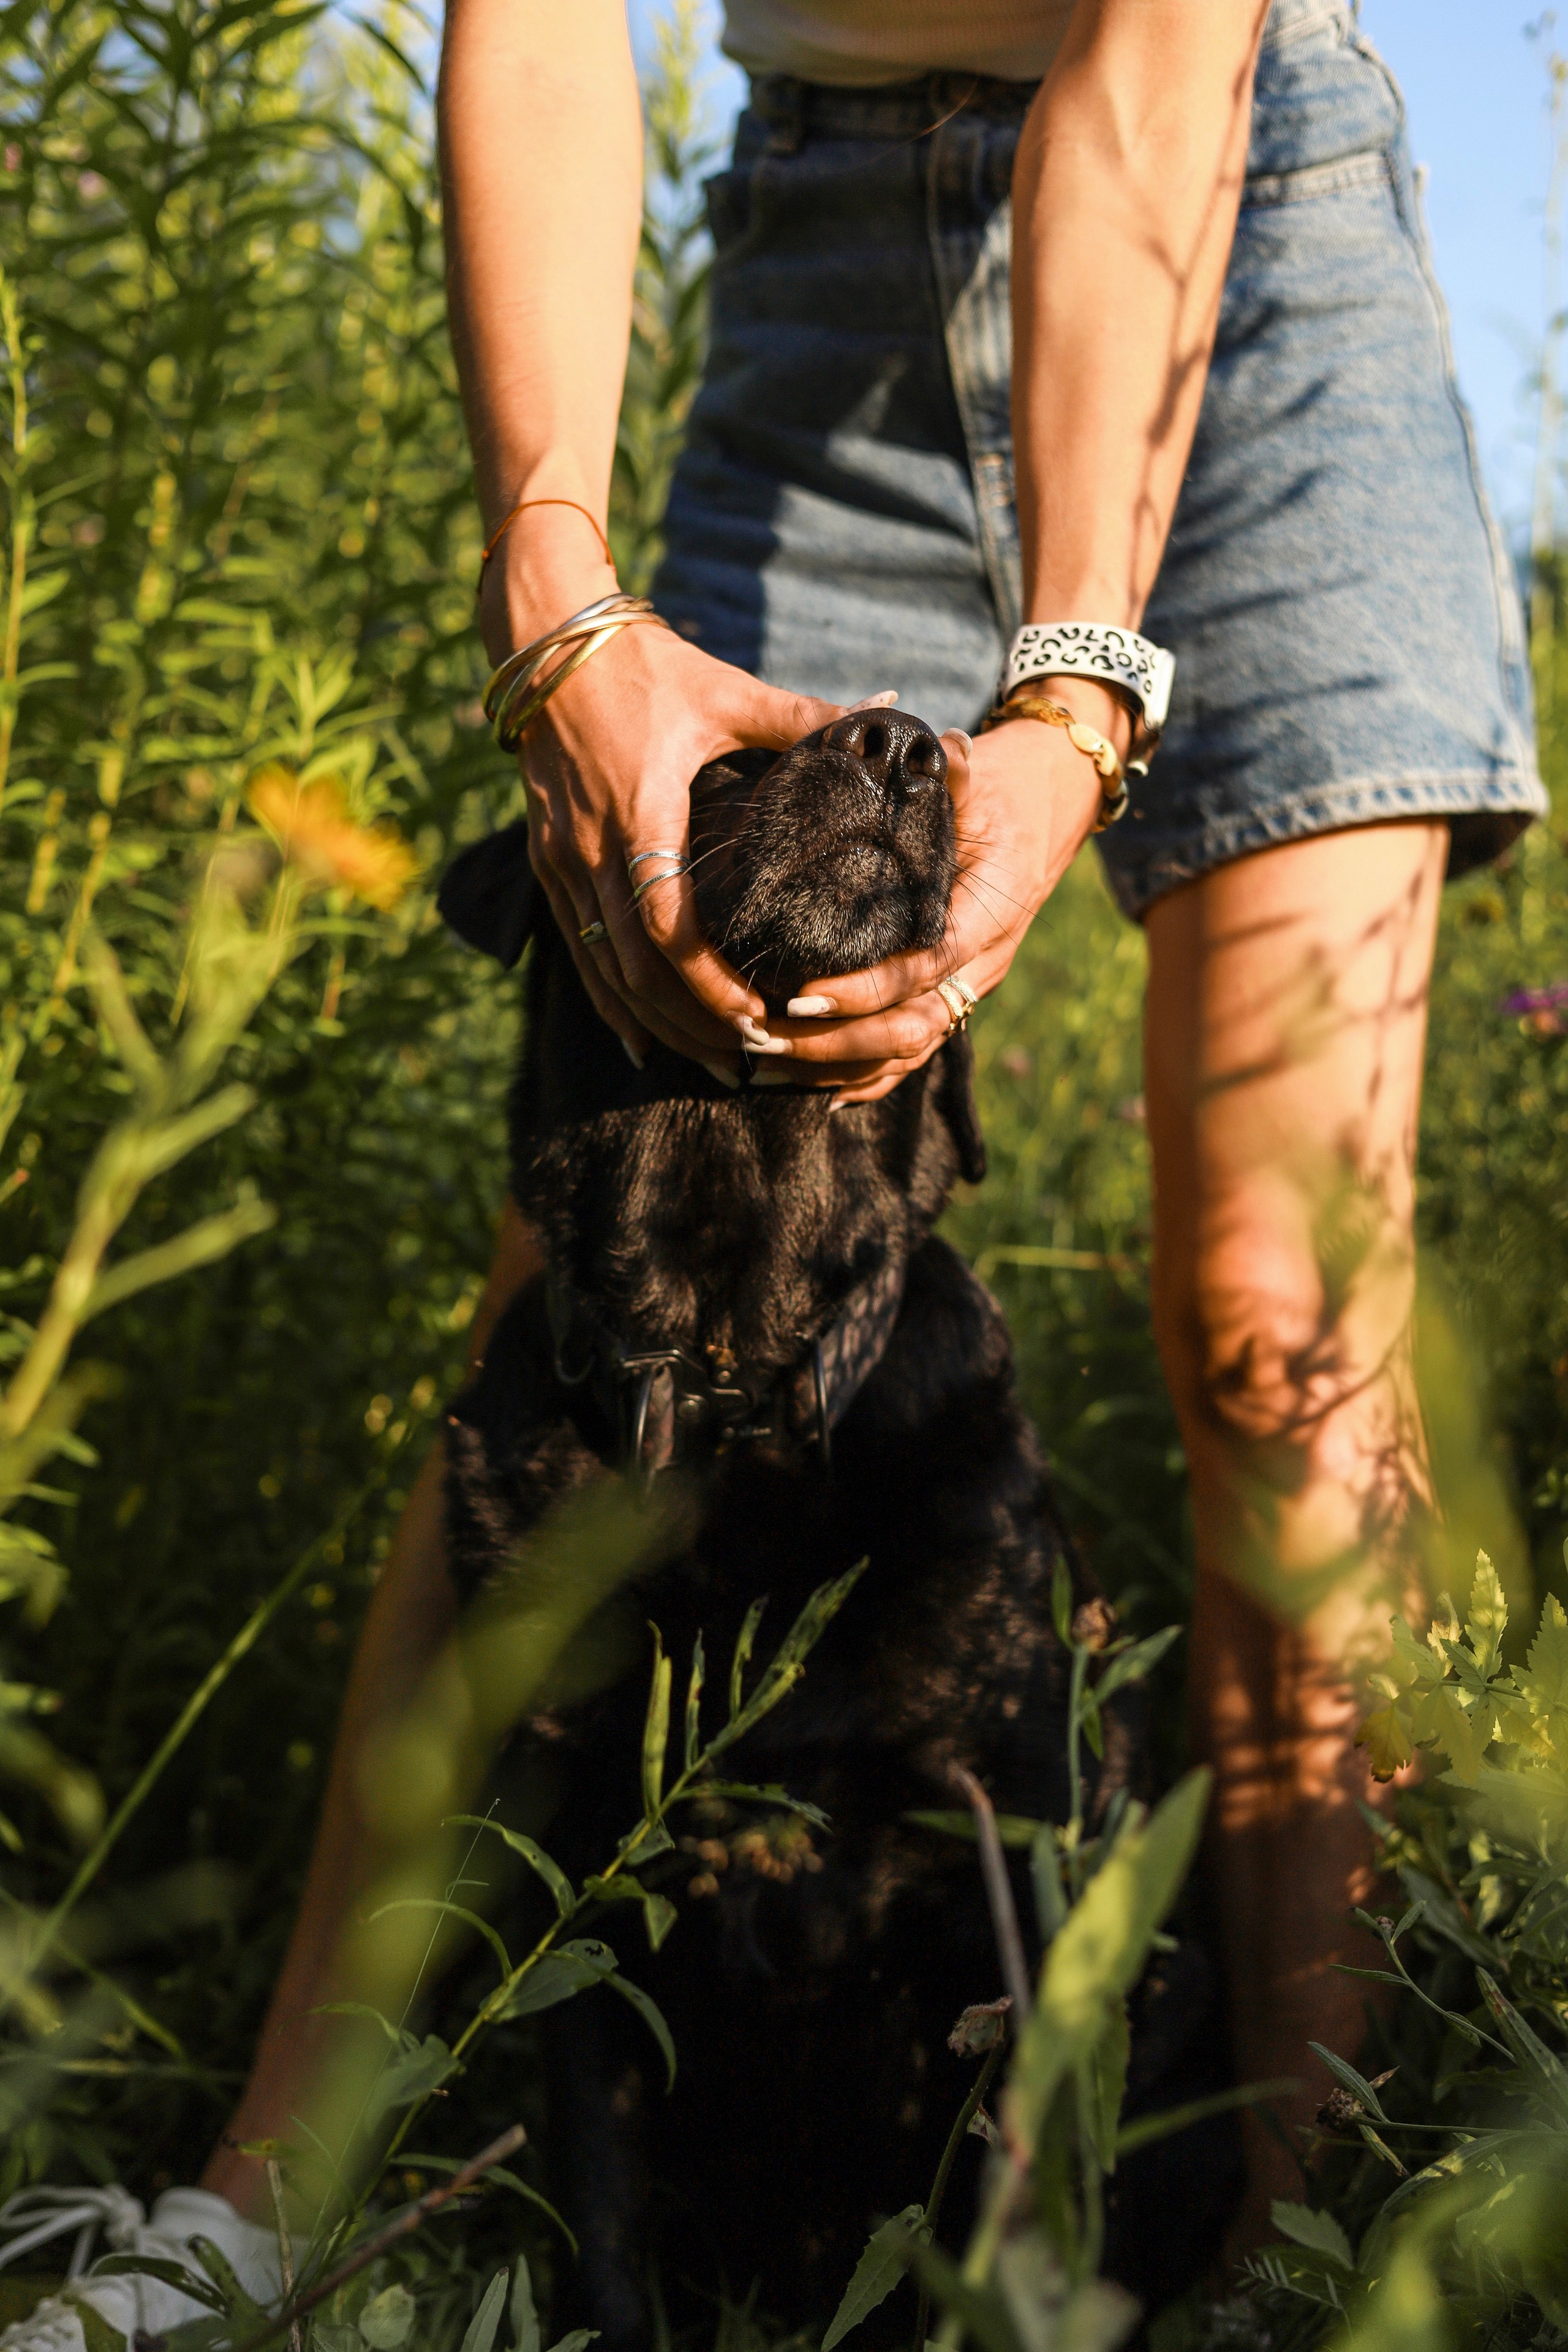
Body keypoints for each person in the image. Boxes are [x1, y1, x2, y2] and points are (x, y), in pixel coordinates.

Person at [0, 0, 1544, 2338]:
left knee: (1283, 1325)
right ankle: (267, 2205)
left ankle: (1304, 2259)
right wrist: (560, 612)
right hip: (824, 214)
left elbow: (1152, 85)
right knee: (587, 1262)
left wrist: (1071, 702)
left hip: (1251, 231)